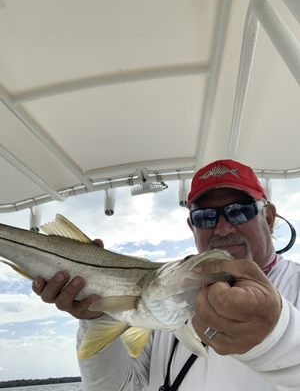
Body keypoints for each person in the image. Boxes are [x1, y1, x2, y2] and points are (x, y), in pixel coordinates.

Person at [32, 159, 300, 390]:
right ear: (192, 227)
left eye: (239, 211)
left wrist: (276, 336)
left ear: (268, 218)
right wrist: (98, 315)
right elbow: (121, 388)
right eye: (205, 217)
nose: (222, 228)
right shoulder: (165, 297)